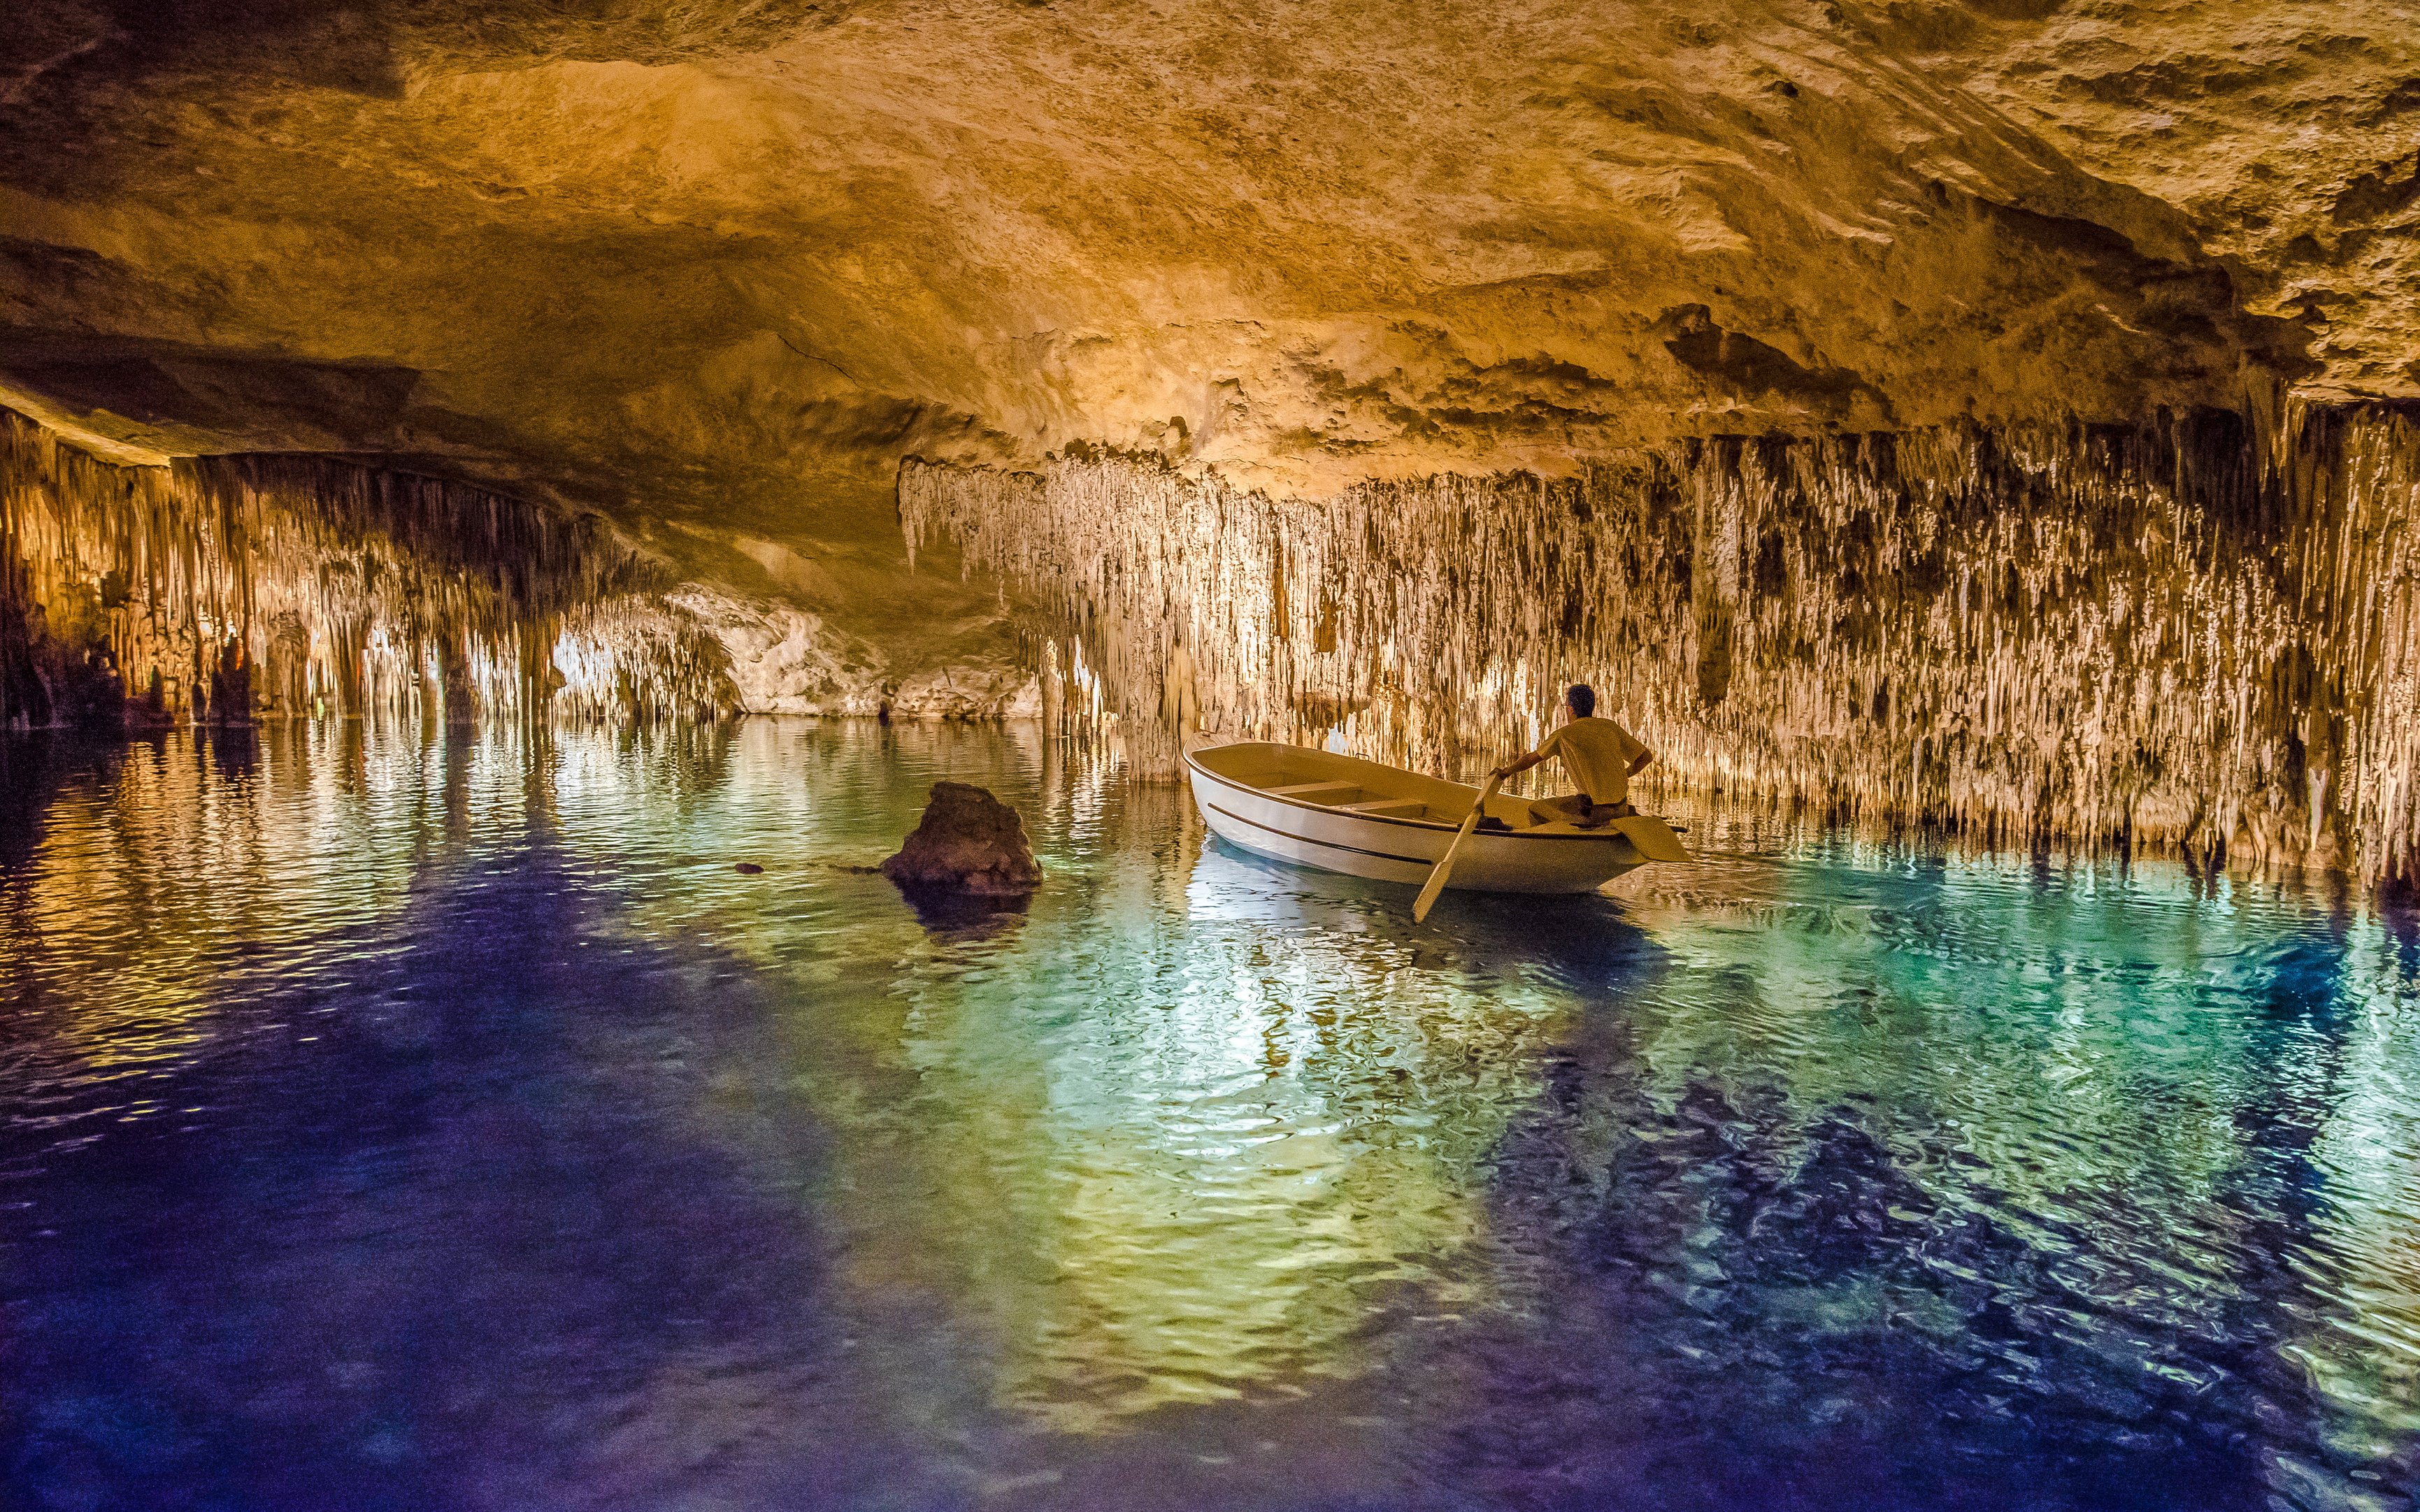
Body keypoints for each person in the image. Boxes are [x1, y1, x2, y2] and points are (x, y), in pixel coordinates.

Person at [1491, 684, 1654, 829]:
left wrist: (1505, 772)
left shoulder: (1564, 735)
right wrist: (1625, 774)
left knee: (1536, 810)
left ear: (1570, 709)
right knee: (1576, 801)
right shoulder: (1610, 727)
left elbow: (1531, 759)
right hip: (1622, 808)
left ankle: (1552, 847)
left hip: (1595, 813)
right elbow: (1645, 757)